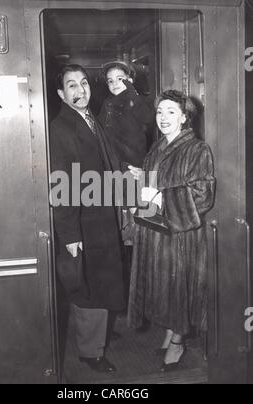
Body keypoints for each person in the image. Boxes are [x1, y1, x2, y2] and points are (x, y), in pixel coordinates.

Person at [128, 90, 216, 372]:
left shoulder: (197, 149)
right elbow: (159, 182)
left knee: (179, 289)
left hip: (181, 235)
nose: (163, 118)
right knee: (164, 288)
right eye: (159, 112)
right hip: (157, 232)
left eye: (170, 112)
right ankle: (170, 331)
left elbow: (203, 194)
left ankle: (178, 340)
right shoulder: (157, 147)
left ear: (184, 117)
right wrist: (142, 180)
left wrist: (163, 197)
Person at [50, 65, 125, 374]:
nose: (80, 90)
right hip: (83, 222)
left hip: (101, 217)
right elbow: (60, 183)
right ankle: (90, 352)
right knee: (87, 285)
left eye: (83, 83)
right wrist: (69, 235)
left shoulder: (90, 119)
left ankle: (100, 332)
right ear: (61, 94)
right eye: (71, 86)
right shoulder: (61, 128)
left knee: (102, 280)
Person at [98, 60, 153, 169]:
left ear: (130, 80)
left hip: (133, 160)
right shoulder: (107, 103)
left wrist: (133, 95)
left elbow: (147, 117)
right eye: (110, 81)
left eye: (120, 79)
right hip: (113, 159)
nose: (115, 84)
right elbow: (100, 126)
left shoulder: (135, 100)